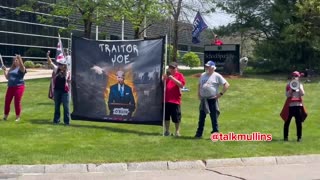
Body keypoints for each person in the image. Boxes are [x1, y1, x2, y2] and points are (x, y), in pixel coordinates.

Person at [195, 61, 229, 138]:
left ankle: (215, 133)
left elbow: (226, 84)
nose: (207, 68)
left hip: (212, 99)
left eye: (208, 67)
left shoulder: (217, 76)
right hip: (204, 99)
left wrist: (220, 94)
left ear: (213, 68)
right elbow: (199, 84)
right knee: (201, 118)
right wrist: (199, 93)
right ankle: (199, 134)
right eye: (206, 66)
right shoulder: (203, 75)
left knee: (214, 117)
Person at [280, 71, 307, 142]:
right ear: (291, 77)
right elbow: (287, 95)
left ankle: (299, 137)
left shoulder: (300, 85)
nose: (295, 77)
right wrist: (292, 89)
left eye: (296, 76)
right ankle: (285, 137)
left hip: (298, 106)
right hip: (290, 106)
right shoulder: (288, 85)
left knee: (299, 122)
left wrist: (298, 87)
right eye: (293, 76)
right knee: (287, 121)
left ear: (298, 77)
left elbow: (303, 94)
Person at [47, 51, 71, 125]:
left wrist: (69, 80)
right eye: (59, 64)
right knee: (57, 106)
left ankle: (66, 122)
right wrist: (48, 56)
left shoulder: (68, 72)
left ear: (64, 65)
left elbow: (70, 81)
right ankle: (56, 120)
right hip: (57, 91)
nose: (59, 65)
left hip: (65, 92)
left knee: (66, 107)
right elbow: (51, 63)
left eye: (61, 64)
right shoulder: (56, 69)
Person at [163, 62, 186, 136]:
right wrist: (164, 79)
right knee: (166, 117)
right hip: (166, 99)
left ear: (176, 68)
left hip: (175, 100)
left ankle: (177, 131)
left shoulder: (180, 75)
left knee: (176, 117)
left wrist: (172, 78)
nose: (172, 69)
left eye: (173, 68)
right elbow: (162, 84)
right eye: (170, 68)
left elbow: (181, 85)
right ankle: (167, 131)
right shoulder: (166, 75)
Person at [2, 55, 26, 121]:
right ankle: (5, 116)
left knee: (16, 102)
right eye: (14, 60)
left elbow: (22, 67)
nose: (15, 61)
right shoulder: (12, 69)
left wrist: (19, 58)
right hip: (10, 87)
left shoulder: (21, 68)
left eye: (16, 60)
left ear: (19, 60)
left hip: (19, 86)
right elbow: (7, 77)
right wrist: (4, 70)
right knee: (7, 101)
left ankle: (17, 117)